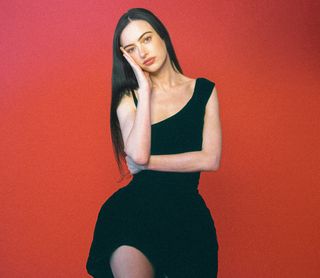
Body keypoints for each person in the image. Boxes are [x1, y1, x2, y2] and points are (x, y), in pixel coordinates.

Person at [86, 7, 222, 278]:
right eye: (131, 48)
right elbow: (137, 151)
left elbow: (211, 159)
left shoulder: (204, 90)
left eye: (146, 39)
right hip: (133, 214)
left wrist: (145, 164)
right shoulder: (129, 98)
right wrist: (145, 90)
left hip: (188, 218)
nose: (143, 52)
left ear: (162, 36)